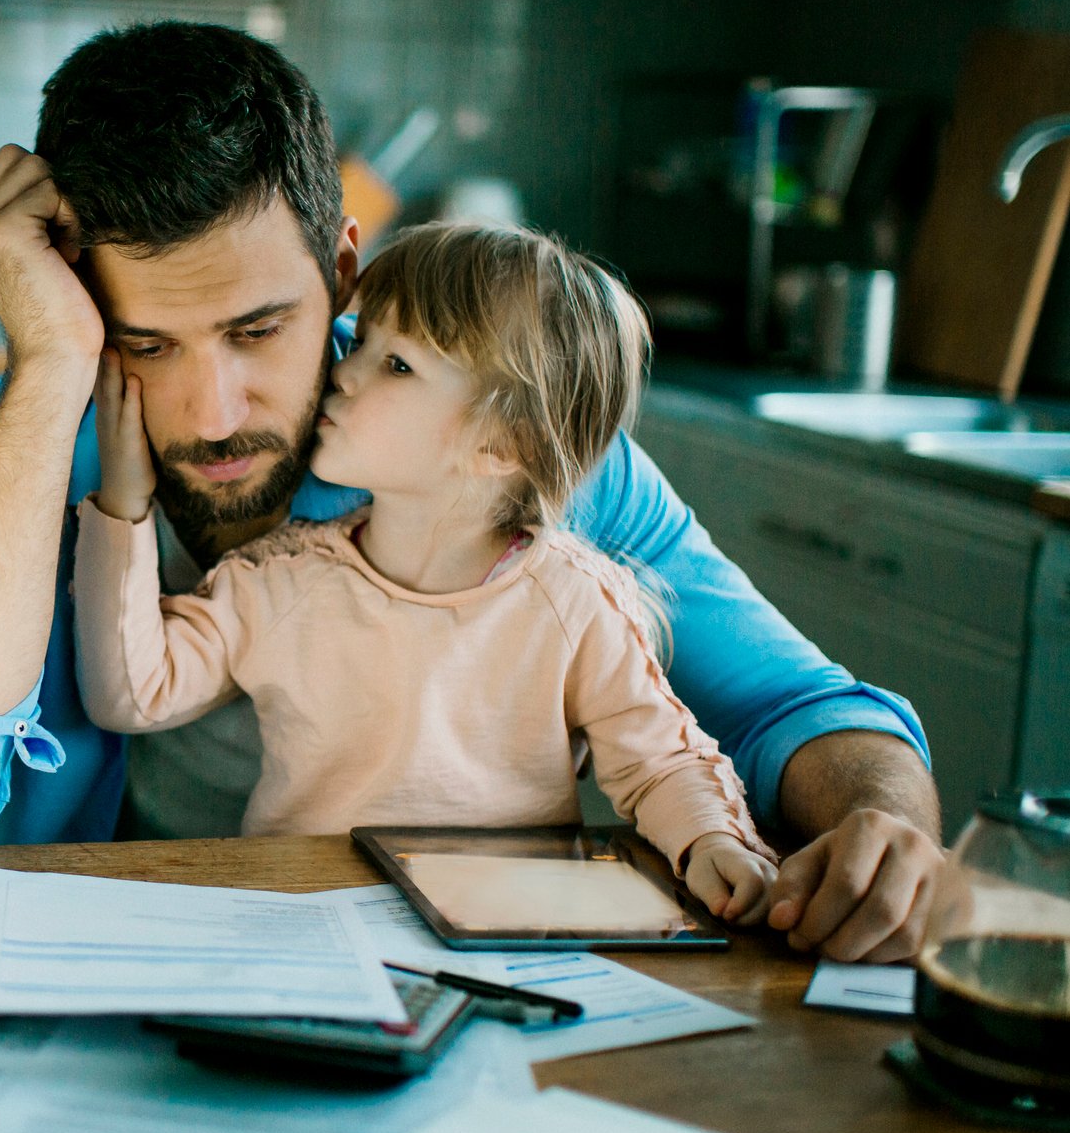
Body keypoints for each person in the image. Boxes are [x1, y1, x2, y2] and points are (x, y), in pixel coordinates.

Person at [0, 19, 944, 963]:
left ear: (340, 272)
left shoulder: (501, 449)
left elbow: (793, 705)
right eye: (143, 342)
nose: (214, 409)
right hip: (98, 993)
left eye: (257, 330)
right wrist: (50, 369)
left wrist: (881, 824)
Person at [74, 221, 780, 922]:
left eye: (396, 363)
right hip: (310, 923)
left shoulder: (575, 602)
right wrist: (123, 505)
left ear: (502, 445)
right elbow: (134, 695)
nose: (344, 370)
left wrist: (713, 841)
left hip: (508, 937)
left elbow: (658, 764)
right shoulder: (277, 581)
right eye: (367, 340)